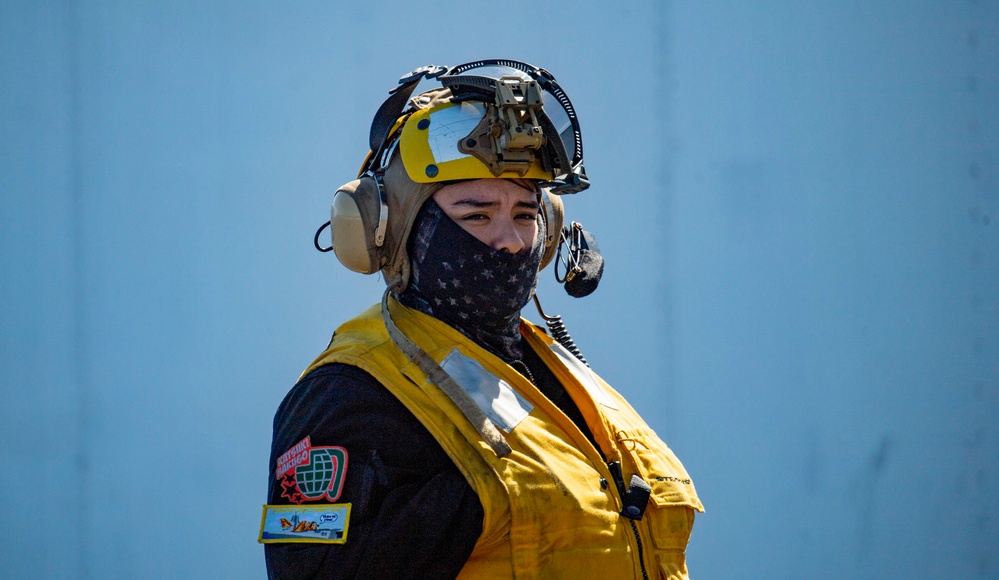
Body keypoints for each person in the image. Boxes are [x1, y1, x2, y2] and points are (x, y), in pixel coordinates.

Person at [260, 60, 704, 579]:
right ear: (390, 228)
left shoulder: (558, 372)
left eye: (524, 213)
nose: (511, 242)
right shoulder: (351, 395)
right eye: (475, 215)